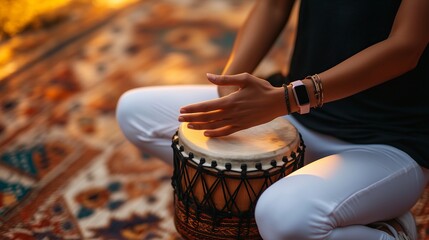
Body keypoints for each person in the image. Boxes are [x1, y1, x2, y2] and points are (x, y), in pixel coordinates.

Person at [116, 0, 429, 239]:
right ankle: (317, 198)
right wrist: (228, 85)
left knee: (282, 218)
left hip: (387, 141)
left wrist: (288, 98)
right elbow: (274, 5)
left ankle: (388, 230)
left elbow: (405, 47)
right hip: (293, 119)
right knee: (136, 112)